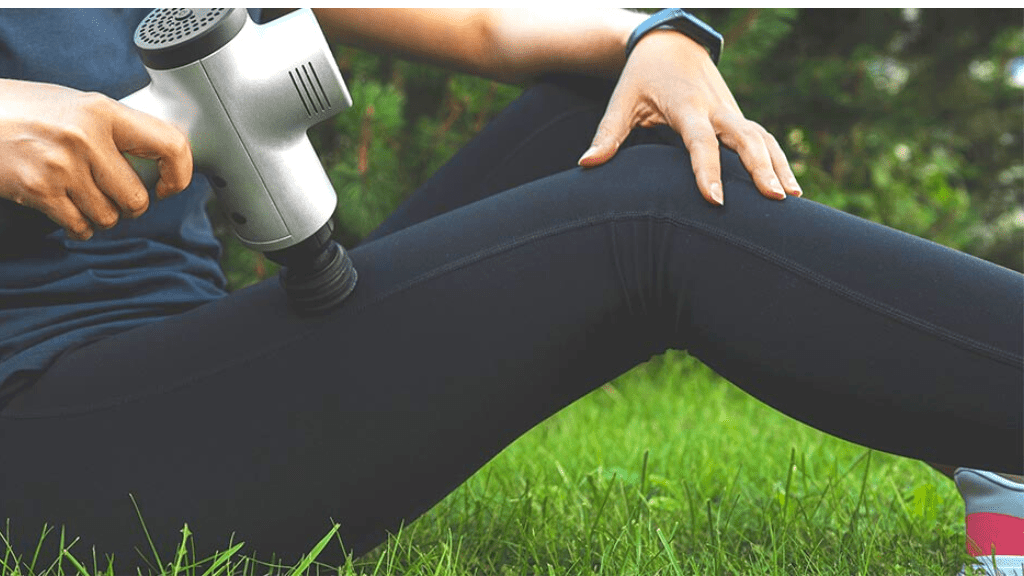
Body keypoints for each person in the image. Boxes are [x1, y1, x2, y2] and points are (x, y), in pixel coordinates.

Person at [0, 8, 1020, 575]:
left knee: (604, 102)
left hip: (196, 369)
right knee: (649, 218)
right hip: (52, 440)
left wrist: (657, 38)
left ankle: (980, 425)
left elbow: (487, 23)